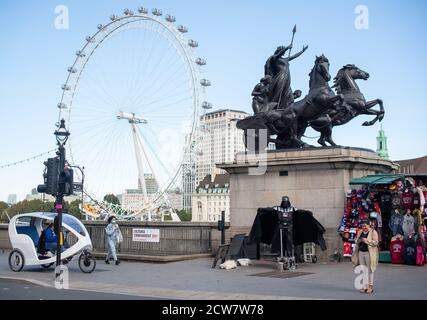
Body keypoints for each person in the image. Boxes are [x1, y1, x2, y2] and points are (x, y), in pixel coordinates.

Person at [351, 220, 379, 294]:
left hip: (369, 253)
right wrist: (358, 241)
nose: (363, 228)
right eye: (362, 226)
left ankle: (370, 286)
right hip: (361, 252)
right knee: (363, 270)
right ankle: (364, 286)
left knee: (370, 270)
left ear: (369, 225)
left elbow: (376, 242)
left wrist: (366, 240)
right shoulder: (360, 232)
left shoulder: (373, 232)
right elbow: (356, 240)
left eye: (365, 226)